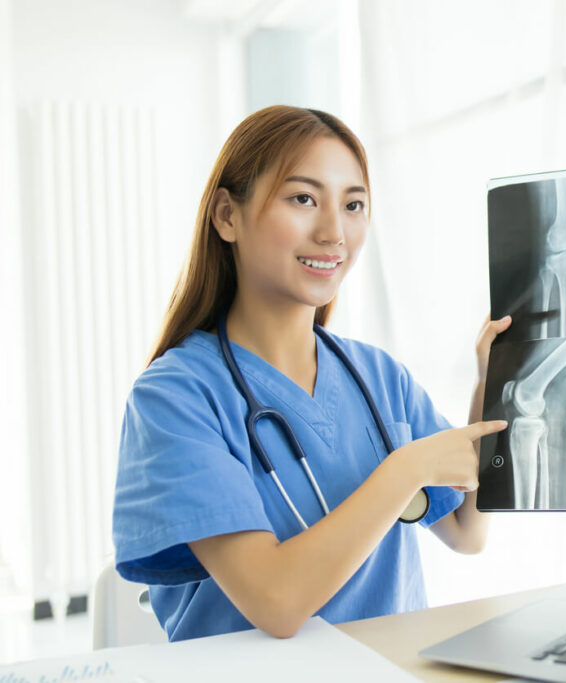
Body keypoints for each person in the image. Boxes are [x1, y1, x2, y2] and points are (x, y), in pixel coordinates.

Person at [112, 105, 510, 641]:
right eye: (303, 198)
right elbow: (276, 603)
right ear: (227, 216)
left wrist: (495, 383)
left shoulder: (377, 375)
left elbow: (466, 530)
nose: (333, 231)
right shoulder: (175, 397)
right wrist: (405, 470)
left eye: (353, 205)